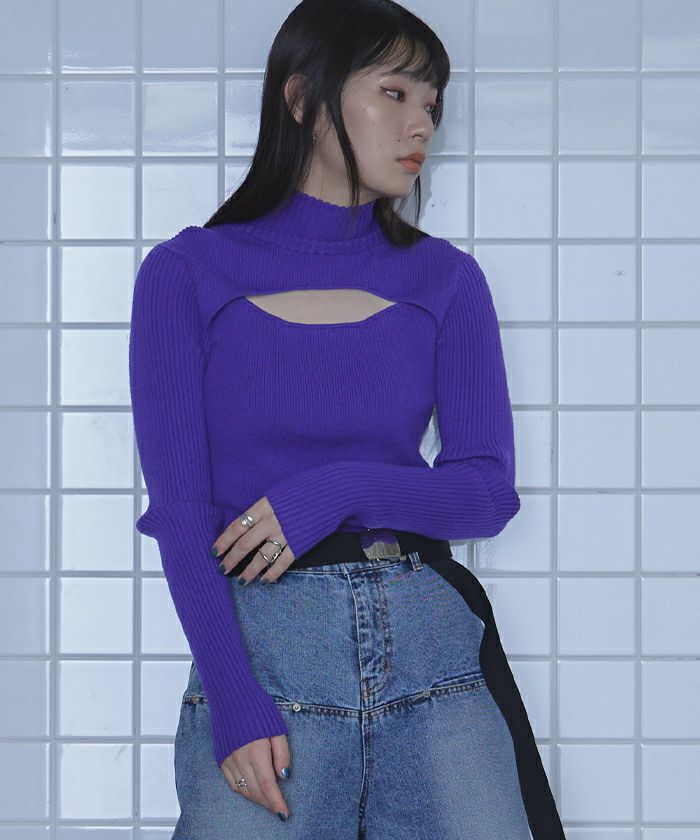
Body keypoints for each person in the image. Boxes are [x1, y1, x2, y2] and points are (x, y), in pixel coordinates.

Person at [128, 0, 566, 837]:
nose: (421, 124)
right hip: (266, 660)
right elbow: (182, 513)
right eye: (395, 92)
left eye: (433, 103)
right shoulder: (187, 274)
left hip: (434, 664)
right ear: (301, 98)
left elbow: (486, 492)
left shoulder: (446, 280)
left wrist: (339, 491)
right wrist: (233, 700)